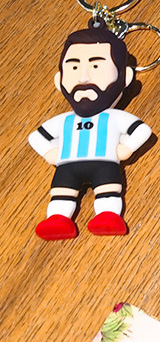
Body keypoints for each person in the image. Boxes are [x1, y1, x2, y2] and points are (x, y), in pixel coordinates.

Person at [28, 20, 152, 240]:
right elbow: (36, 137)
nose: (83, 77)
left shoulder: (113, 117)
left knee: (108, 191)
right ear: (59, 80)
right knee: (61, 195)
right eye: (74, 67)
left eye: (95, 66)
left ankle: (108, 216)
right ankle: (57, 219)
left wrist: (126, 148)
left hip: (104, 164)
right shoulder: (63, 120)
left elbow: (142, 130)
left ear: (125, 77)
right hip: (67, 166)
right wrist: (49, 152)